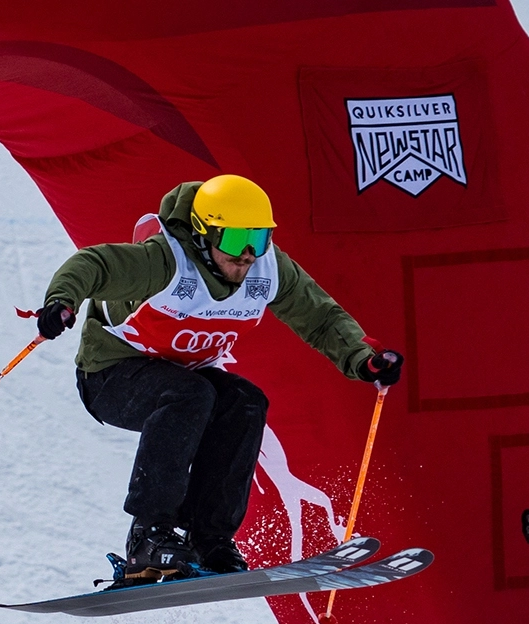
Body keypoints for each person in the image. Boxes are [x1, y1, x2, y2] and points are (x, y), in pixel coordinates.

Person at [36, 175, 402, 587]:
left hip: (182, 376)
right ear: (204, 234)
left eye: (258, 239)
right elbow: (94, 264)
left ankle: (208, 539)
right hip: (109, 375)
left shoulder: (267, 270)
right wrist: (61, 301)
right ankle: (148, 537)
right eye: (234, 240)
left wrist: (363, 358)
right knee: (190, 395)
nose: (246, 256)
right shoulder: (166, 261)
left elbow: (319, 316)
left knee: (245, 401)